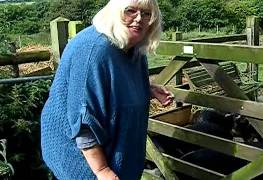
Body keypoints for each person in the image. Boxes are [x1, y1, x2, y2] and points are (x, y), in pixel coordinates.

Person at [40, 0, 173, 179]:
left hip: (117, 154)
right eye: (130, 11)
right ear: (114, 12)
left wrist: (146, 89)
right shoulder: (93, 50)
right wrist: (102, 170)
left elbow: (112, 86)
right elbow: (84, 119)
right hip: (83, 160)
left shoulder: (133, 48)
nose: (139, 18)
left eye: (147, 13)